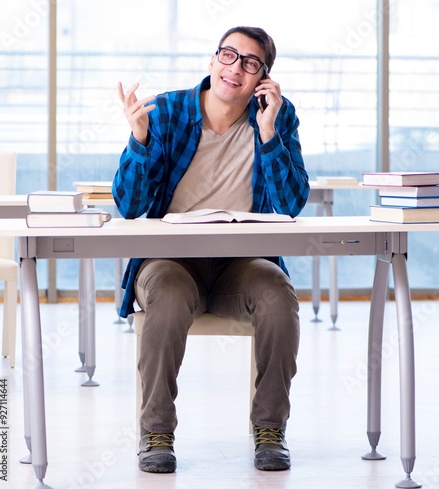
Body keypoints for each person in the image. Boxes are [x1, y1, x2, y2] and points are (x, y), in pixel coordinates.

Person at [112, 25, 310, 474]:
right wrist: (139, 138)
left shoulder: (277, 115)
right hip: (170, 261)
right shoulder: (165, 111)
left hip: (240, 265)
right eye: (228, 54)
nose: (235, 67)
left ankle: (269, 430)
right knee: (167, 293)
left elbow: (293, 200)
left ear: (264, 78)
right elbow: (130, 206)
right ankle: (156, 431)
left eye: (250, 62)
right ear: (211, 61)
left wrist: (268, 132)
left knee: (278, 296)